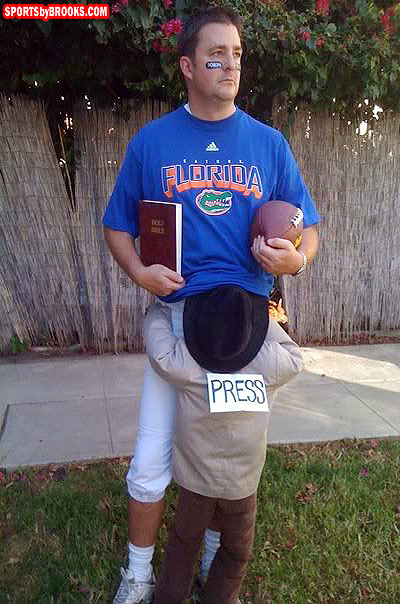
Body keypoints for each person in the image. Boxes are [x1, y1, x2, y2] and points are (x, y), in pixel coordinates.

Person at [102, 7, 320, 603]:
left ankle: (209, 558)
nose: (230, 65)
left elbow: (308, 230)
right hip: (178, 319)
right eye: (215, 55)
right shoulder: (153, 143)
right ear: (187, 66)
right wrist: (140, 271)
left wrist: (295, 261)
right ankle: (138, 575)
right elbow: (117, 227)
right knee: (151, 458)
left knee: (229, 453)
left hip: (245, 329)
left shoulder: (268, 144)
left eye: (237, 54)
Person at [144, 286, 303, 604]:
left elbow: (158, 349)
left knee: (183, 546)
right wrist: (263, 321)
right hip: (242, 486)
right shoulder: (270, 363)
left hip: (196, 483)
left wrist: (158, 313)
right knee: (236, 554)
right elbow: (295, 356)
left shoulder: (187, 362)